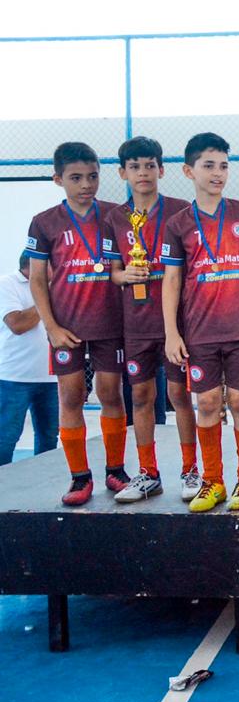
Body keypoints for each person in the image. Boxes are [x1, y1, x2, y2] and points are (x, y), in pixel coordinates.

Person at [161, 133, 239, 512]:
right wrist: (172, 332)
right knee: (206, 402)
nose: (218, 173)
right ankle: (212, 481)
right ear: (189, 171)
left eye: (223, 165)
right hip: (199, 331)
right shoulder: (178, 223)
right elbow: (172, 280)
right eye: (209, 166)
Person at [25, 142, 127, 505]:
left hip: (109, 323)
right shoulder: (45, 221)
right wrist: (51, 327)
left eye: (93, 176)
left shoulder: (116, 215)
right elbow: (38, 279)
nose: (86, 184)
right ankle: (79, 477)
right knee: (71, 396)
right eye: (76, 178)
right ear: (58, 179)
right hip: (66, 327)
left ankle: (116, 470)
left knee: (110, 394)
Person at [104, 136, 199, 502]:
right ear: (122, 173)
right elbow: (113, 271)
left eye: (149, 166)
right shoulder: (115, 217)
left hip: (176, 324)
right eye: (134, 167)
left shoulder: (181, 211)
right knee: (141, 395)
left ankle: (190, 471)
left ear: (161, 170)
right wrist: (123, 275)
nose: (142, 172)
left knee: (178, 395)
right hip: (136, 324)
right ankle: (148, 473)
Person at [0, 254, 58, 466]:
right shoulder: (7, 284)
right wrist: (46, 294)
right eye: (53, 263)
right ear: (35, 265)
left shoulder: (56, 287)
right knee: (6, 437)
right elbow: (18, 325)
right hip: (15, 377)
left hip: (51, 378)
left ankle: (40, 479)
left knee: (49, 437)